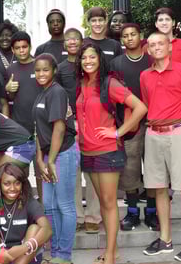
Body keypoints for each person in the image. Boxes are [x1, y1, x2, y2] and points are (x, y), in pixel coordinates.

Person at [75, 42, 147, 264]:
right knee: (104, 205)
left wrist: (117, 132)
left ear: (100, 60)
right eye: (84, 58)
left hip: (107, 151)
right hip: (87, 151)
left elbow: (140, 107)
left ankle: (110, 255)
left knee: (108, 203)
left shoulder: (109, 83)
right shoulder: (82, 84)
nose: (88, 61)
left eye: (92, 57)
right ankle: (112, 251)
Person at [140, 32, 181, 262]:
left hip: (176, 132)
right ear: (148, 50)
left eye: (160, 43)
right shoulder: (144, 75)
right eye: (152, 44)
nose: (156, 47)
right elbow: (148, 104)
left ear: (169, 47)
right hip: (152, 135)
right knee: (158, 188)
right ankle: (165, 240)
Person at [109, 24, 156, 231]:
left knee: (155, 168)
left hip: (154, 121)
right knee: (130, 169)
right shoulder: (116, 63)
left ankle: (153, 212)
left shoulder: (151, 60)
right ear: (121, 40)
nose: (129, 38)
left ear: (140, 36)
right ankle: (133, 212)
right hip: (130, 123)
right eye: (125, 36)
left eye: (133, 35)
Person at [32, 53, 78, 264]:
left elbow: (59, 128)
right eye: (38, 70)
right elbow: (38, 130)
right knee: (49, 205)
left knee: (64, 205)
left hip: (63, 154)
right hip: (48, 155)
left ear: (54, 71)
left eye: (45, 70)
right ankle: (56, 251)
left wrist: (50, 161)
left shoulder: (57, 92)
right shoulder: (42, 93)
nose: (41, 73)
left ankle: (64, 255)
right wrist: (40, 160)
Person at [56, 28, 102, 234]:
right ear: (64, 44)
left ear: (82, 42)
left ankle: (93, 215)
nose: (72, 42)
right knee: (72, 173)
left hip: (92, 122)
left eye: (76, 39)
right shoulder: (60, 68)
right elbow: (56, 95)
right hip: (71, 124)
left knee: (92, 170)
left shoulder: (90, 66)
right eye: (68, 40)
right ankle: (77, 215)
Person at [0, 162, 52, 264]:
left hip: (25, 253)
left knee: (35, 228)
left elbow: (48, 229)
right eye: (7, 184)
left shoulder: (29, 202)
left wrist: (25, 247)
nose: (13, 188)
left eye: (17, 183)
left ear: (22, 184)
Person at [4, 31, 43, 200]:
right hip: (20, 129)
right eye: (17, 48)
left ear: (30, 46)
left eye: (24, 47)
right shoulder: (11, 69)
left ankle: (44, 207)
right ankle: (24, 207)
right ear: (12, 49)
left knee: (42, 172)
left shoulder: (39, 65)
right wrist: (9, 90)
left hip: (41, 128)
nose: (21, 51)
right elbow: (10, 98)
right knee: (19, 172)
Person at [150, 7, 181, 76]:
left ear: (173, 23)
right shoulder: (150, 48)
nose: (164, 23)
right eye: (161, 20)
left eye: (167, 19)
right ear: (156, 24)